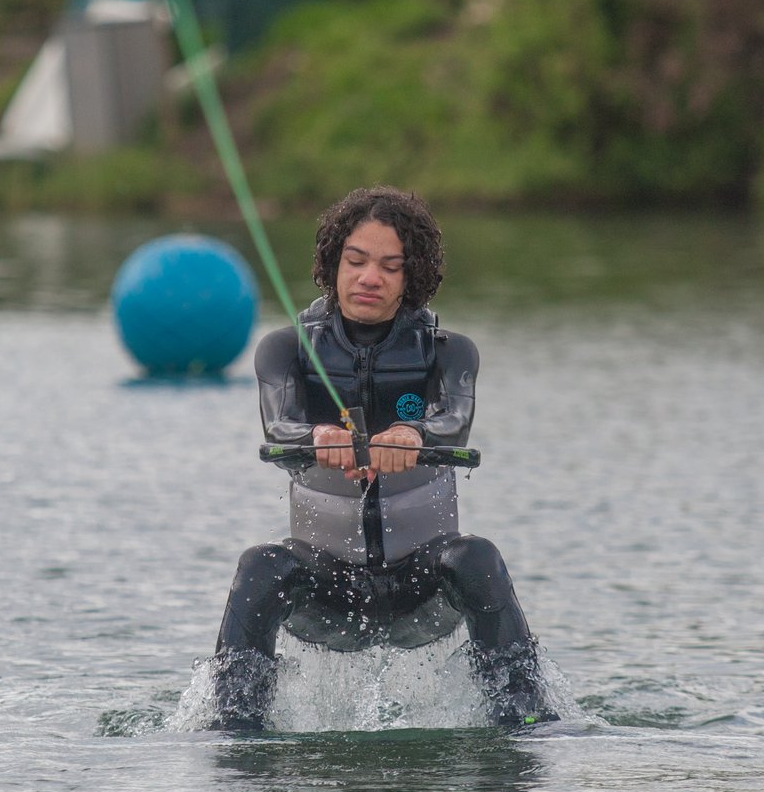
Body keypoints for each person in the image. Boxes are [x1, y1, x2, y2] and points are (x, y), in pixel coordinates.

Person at [207, 185, 557, 732]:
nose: (370, 277)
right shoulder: (284, 351)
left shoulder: (449, 352)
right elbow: (279, 423)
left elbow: (454, 420)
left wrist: (413, 436)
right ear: (333, 264)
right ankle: (229, 726)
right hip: (329, 588)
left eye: (390, 267)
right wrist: (318, 435)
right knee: (261, 564)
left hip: (421, 588)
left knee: (477, 556)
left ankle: (527, 718)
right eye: (357, 261)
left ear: (410, 277)